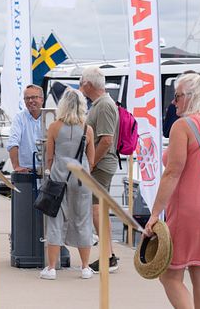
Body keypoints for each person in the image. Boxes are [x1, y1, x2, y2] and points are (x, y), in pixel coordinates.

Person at [144, 73, 200, 309]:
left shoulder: (183, 126)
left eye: (177, 96)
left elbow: (172, 172)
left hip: (188, 212)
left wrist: (154, 214)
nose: (174, 102)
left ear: (192, 97)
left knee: (169, 275)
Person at [39, 89, 96, 280]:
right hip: (81, 180)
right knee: (83, 221)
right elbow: (91, 158)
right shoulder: (87, 128)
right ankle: (86, 268)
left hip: (58, 178)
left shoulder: (54, 127)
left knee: (55, 221)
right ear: (82, 106)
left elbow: (49, 157)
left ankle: (52, 268)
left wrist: (52, 169)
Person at [79, 66, 119, 273]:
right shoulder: (100, 104)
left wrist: (91, 164)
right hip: (101, 164)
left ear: (88, 84)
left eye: (81, 81)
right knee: (97, 210)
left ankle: (108, 256)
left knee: (97, 211)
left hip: (101, 165)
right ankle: (108, 254)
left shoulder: (103, 106)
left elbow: (106, 140)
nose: (79, 85)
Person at [7, 85, 44, 173]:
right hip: (26, 171)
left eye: (34, 97)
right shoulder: (19, 118)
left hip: (46, 170)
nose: (30, 101)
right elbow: (13, 142)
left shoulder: (49, 117)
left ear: (42, 99)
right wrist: (16, 166)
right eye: (27, 98)